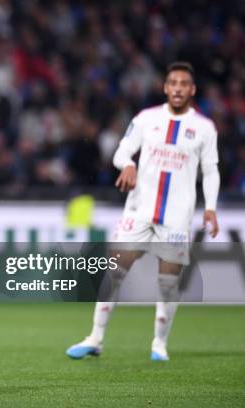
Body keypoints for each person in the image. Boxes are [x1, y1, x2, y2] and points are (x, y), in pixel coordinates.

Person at [66, 62, 220, 361]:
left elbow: (211, 171)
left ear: (192, 90)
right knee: (114, 272)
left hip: (176, 215)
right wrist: (129, 164)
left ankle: (159, 344)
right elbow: (121, 151)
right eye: (172, 82)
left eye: (183, 83)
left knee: (168, 281)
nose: (177, 88)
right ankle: (95, 337)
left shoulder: (204, 128)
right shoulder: (146, 119)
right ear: (165, 87)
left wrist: (211, 208)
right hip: (139, 209)